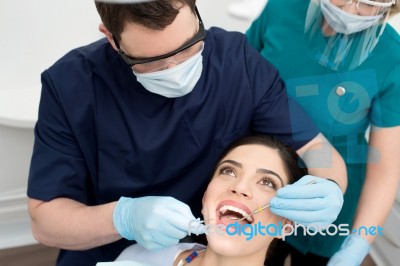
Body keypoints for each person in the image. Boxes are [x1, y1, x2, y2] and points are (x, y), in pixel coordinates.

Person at [27, 1, 347, 265]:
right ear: (112, 39)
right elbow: (46, 222)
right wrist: (122, 218)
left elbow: (314, 146)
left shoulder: (238, 64)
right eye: (154, 62)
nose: (177, 69)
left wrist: (329, 184)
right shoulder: (71, 85)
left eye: (189, 46)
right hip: (105, 249)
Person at [245, 0, 400, 265]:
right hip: (260, 181)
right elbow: (235, 81)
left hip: (330, 197)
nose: (351, 10)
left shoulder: (391, 57)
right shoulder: (281, 10)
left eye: (368, 3)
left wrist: (359, 243)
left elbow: (385, 170)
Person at [96, 134, 308, 266]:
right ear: (206, 197)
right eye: (228, 171)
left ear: (286, 227)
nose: (240, 187)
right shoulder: (139, 256)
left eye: (267, 182)